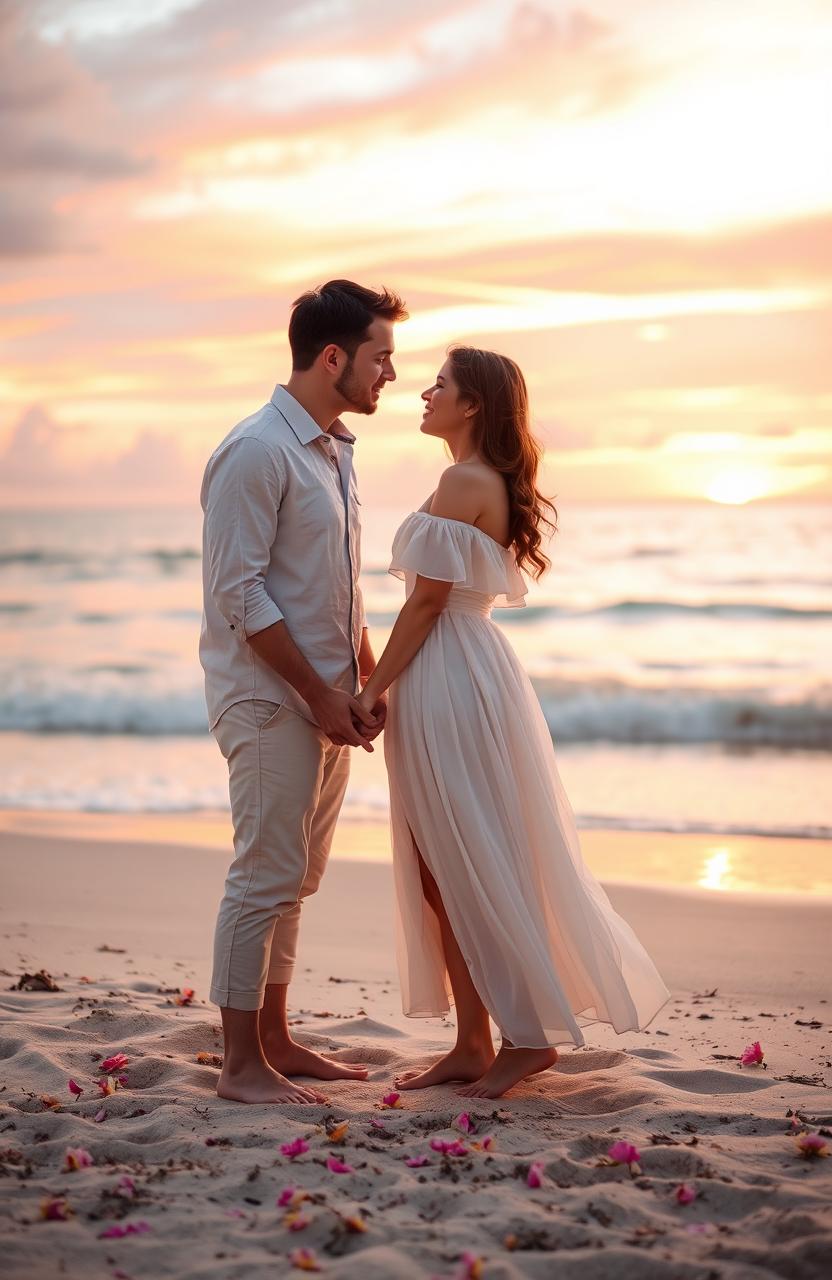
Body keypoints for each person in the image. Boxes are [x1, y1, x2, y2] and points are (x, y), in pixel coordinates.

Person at [356, 346, 671, 1099]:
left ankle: (524, 1038)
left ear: (473, 406)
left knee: (465, 860)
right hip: (463, 669)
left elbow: (427, 603)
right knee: (444, 867)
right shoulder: (477, 479)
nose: (424, 393)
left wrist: (375, 687)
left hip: (449, 673)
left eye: (442, 385)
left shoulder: (463, 479)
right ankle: (472, 1040)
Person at [200, 279, 408, 1104]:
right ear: (333, 358)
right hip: (267, 699)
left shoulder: (335, 448)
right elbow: (240, 593)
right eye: (380, 357)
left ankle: (276, 1041)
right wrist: (320, 697)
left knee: (298, 877)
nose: (390, 373)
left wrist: (360, 679)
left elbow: (339, 586)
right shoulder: (256, 450)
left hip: (324, 700)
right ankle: (239, 1063)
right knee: (263, 874)